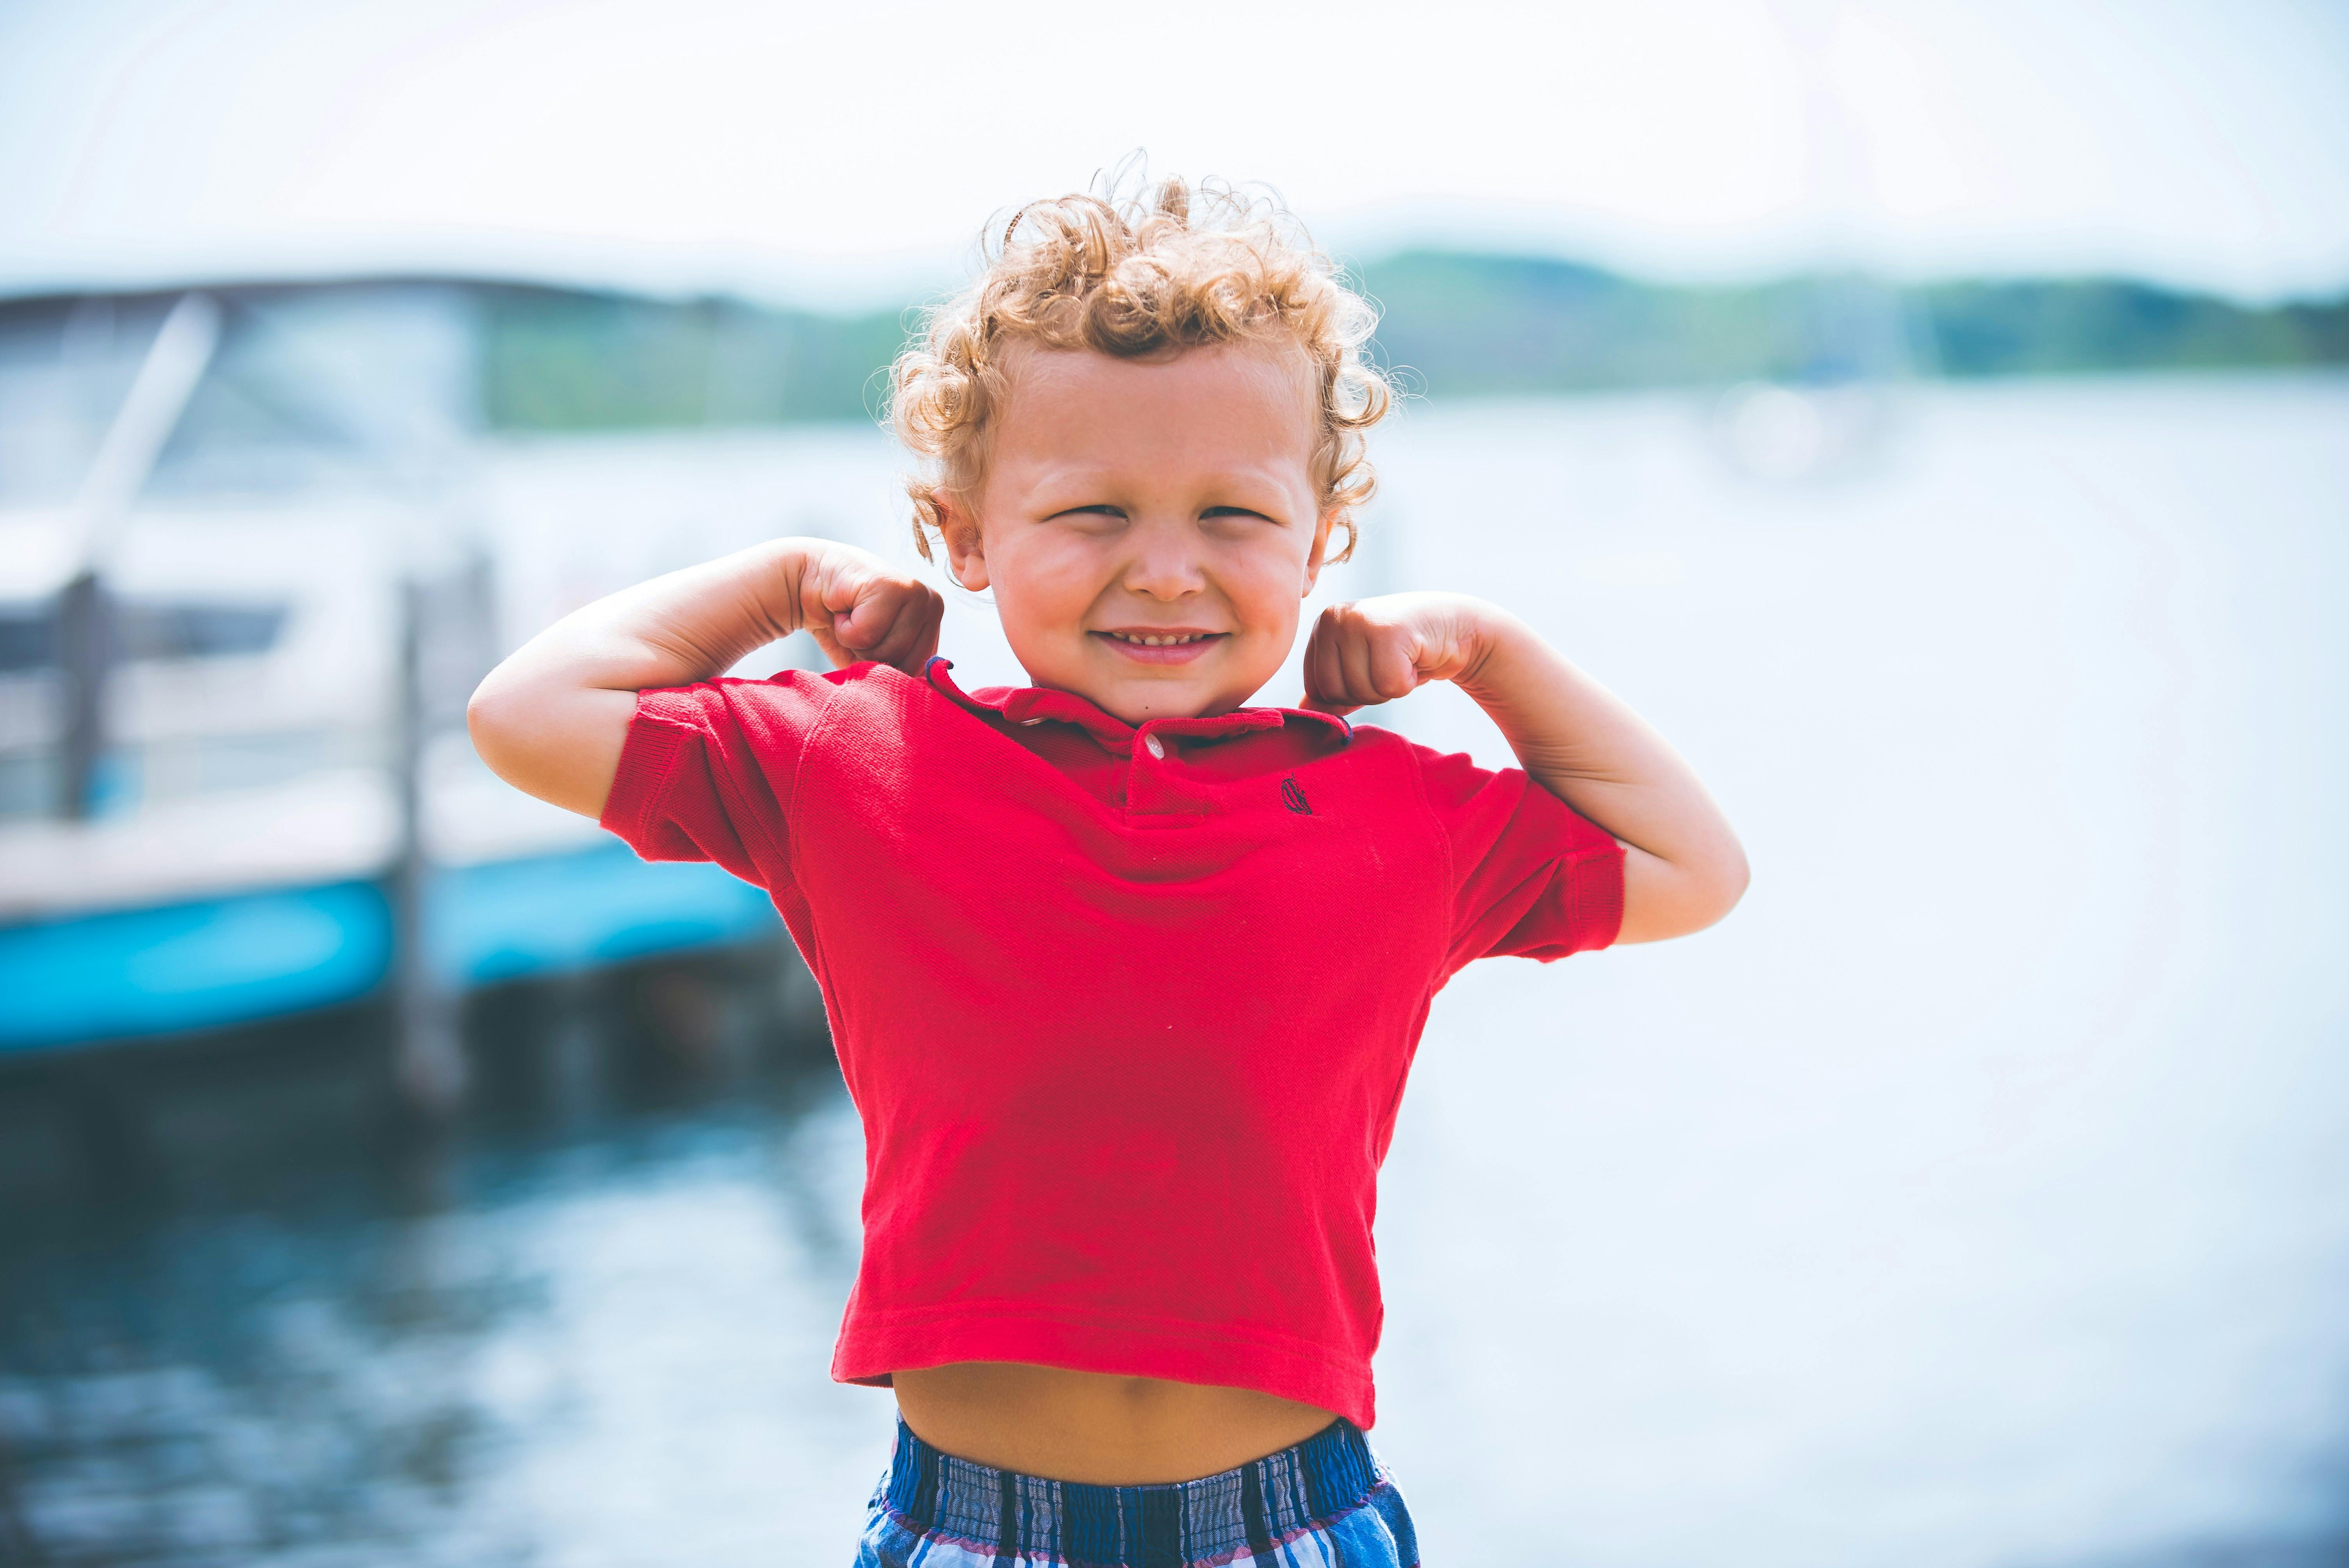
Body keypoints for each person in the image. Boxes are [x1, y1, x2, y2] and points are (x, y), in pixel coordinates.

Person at [468, 175, 1747, 1568]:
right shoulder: (857, 762)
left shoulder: (1398, 812)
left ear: (1321, 539)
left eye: (1232, 518)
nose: (1164, 569)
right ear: (962, 536)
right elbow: (524, 718)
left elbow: (1694, 867)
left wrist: (1491, 654)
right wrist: (778, 586)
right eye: (1091, 513)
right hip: (970, 1527)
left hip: (1293, 1519)